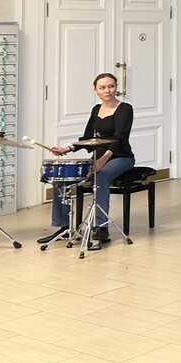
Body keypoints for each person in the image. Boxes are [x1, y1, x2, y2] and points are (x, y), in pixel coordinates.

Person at [38, 72, 135, 248]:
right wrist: (67, 148)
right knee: (61, 179)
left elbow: (119, 138)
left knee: (101, 176)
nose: (107, 90)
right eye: (102, 87)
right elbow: (87, 138)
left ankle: (101, 227)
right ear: (95, 90)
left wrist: (103, 160)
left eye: (111, 86)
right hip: (97, 157)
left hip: (121, 157)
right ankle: (64, 227)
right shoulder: (96, 110)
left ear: (116, 87)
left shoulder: (125, 109)